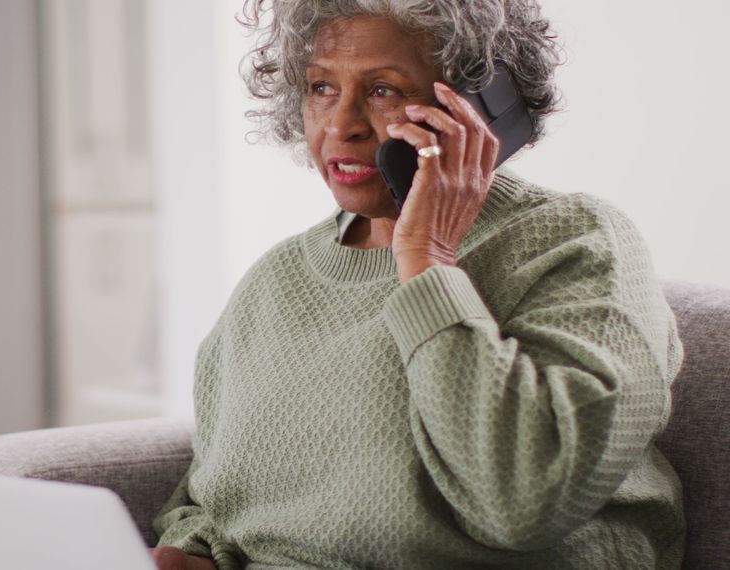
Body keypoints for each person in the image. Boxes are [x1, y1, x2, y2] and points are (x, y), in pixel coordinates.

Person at [148, 0, 684, 569]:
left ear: (482, 107)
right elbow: (210, 497)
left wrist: (427, 256)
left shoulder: (577, 243)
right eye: (321, 87)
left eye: (383, 91)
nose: (341, 124)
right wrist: (191, 554)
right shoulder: (274, 281)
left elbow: (526, 501)